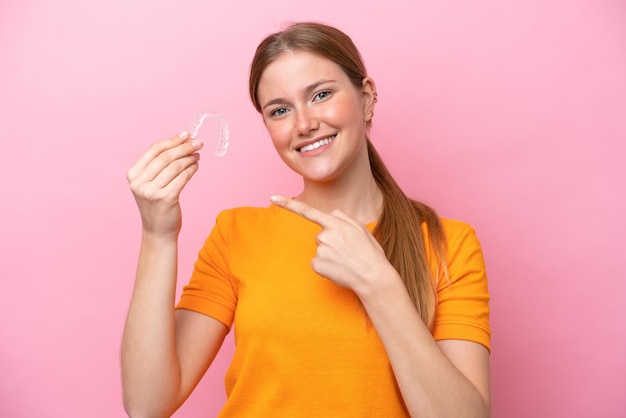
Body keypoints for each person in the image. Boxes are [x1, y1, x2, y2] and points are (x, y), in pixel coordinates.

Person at [122, 21, 491, 418]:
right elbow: (147, 404)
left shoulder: (447, 244)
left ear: (366, 97)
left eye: (321, 95)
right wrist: (158, 234)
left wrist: (380, 286)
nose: (304, 124)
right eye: (280, 110)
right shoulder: (236, 234)